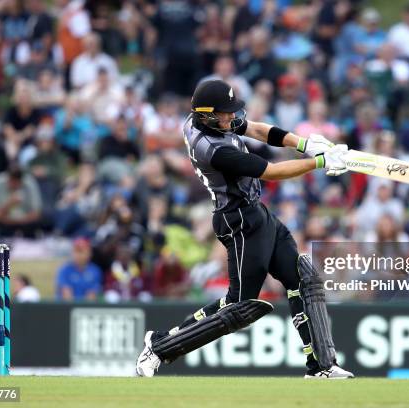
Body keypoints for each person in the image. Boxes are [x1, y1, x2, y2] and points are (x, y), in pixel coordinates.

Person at [136, 79, 353, 379]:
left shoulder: (208, 121)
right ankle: (160, 348)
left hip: (255, 212)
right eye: (224, 113)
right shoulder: (211, 148)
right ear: (207, 115)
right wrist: (318, 162)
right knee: (239, 308)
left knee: (302, 278)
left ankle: (321, 366)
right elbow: (272, 172)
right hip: (237, 221)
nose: (231, 118)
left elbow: (257, 130)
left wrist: (303, 143)